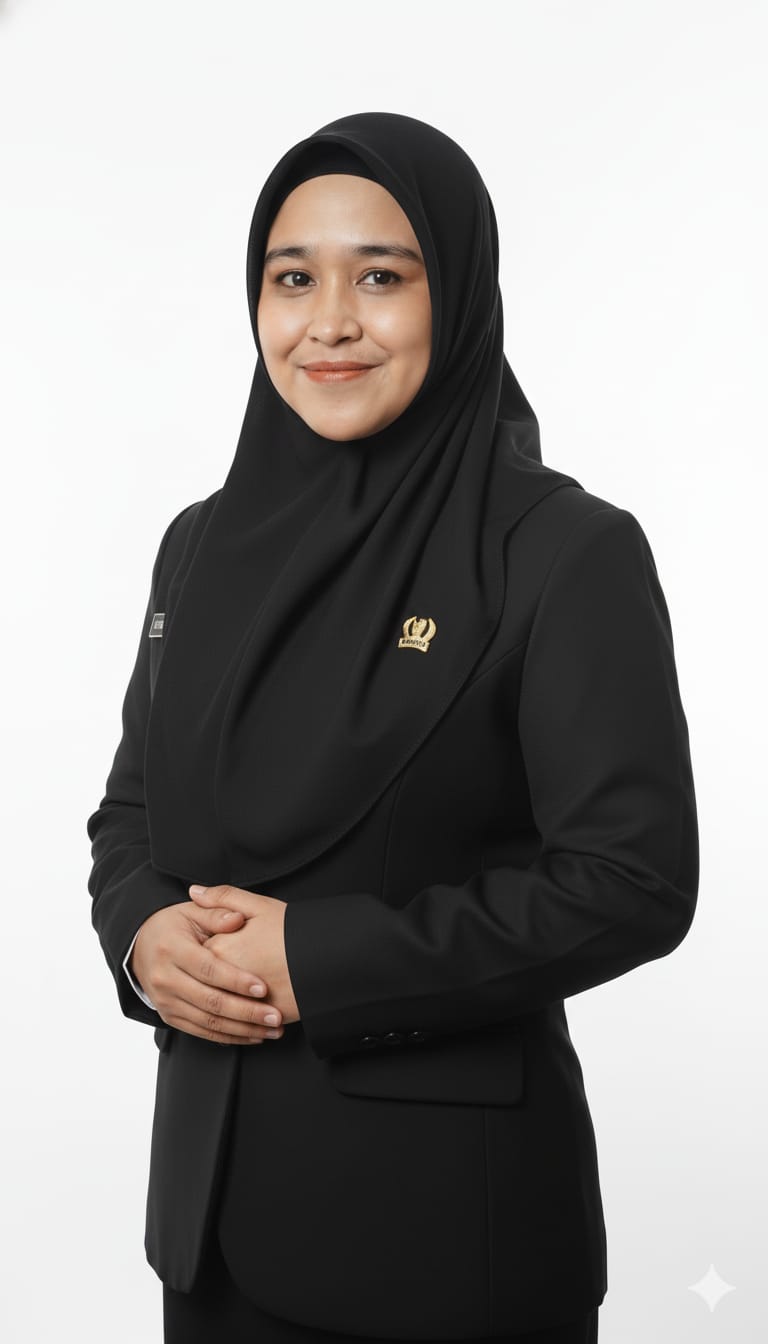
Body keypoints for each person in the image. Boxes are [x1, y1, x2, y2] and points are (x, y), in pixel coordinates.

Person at [86, 111, 699, 1344]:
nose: (329, 322)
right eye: (291, 279)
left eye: (380, 277)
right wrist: (141, 936)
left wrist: (321, 961)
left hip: (445, 1247)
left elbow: (632, 881)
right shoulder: (199, 544)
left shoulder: (561, 552)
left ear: (455, 296)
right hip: (211, 1228)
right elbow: (133, 812)